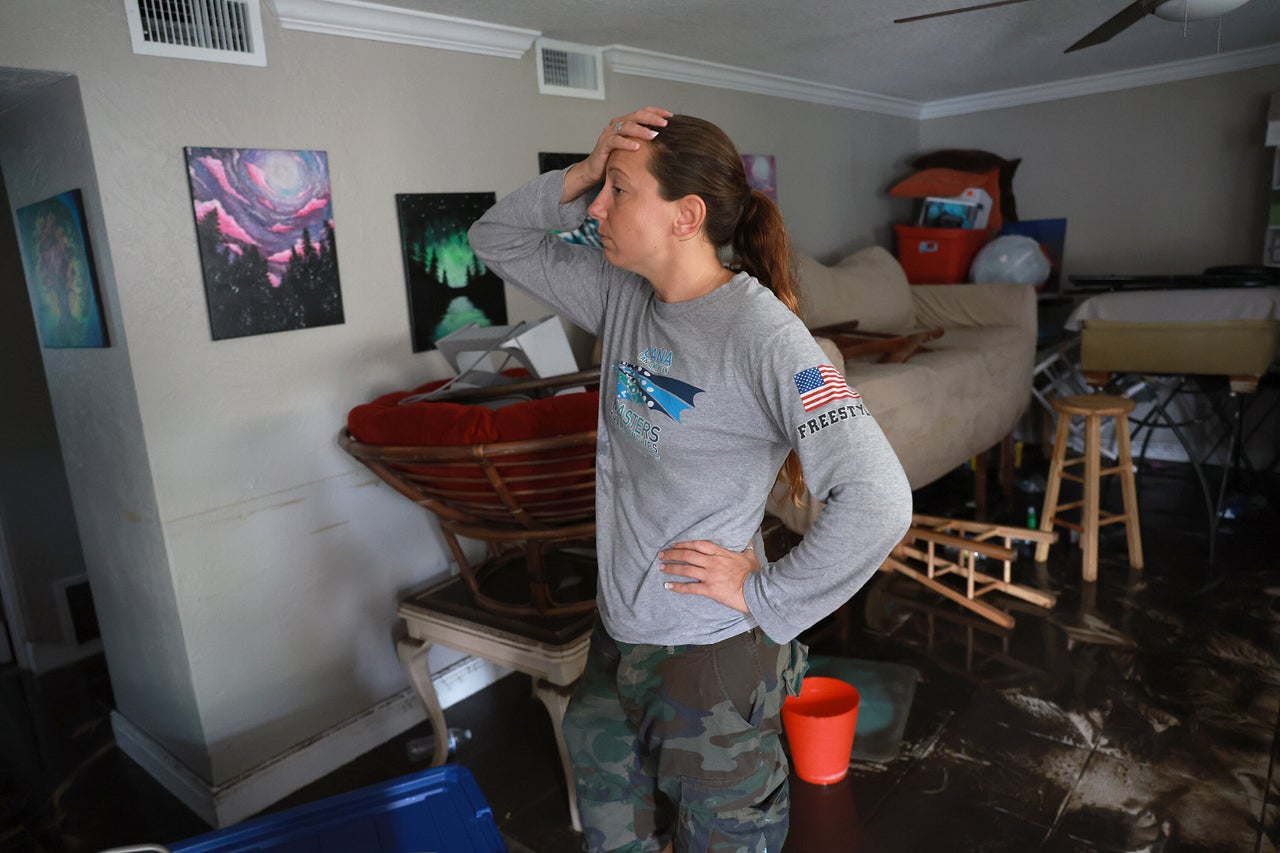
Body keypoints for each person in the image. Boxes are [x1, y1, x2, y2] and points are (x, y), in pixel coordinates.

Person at [468, 107, 912, 853]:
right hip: (617, 641)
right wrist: (580, 171)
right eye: (598, 189)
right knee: (614, 835)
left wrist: (766, 594)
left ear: (687, 215)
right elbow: (495, 238)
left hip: (710, 664)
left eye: (616, 191)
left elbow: (880, 497)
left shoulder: (763, 336)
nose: (597, 208)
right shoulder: (623, 296)